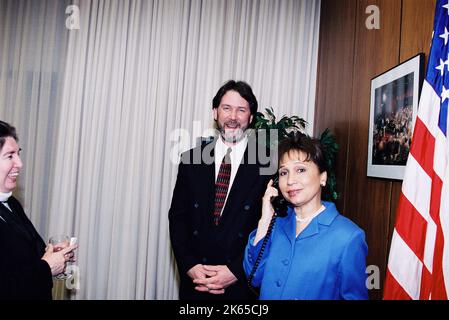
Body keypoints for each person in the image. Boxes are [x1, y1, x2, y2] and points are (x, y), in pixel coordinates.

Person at [169, 80, 272, 300]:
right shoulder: (191, 160)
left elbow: (273, 225)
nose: (233, 117)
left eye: (241, 110)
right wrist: (189, 265)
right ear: (215, 112)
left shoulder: (268, 164)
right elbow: (178, 218)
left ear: (251, 117)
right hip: (196, 282)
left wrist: (237, 270)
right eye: (227, 108)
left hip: (241, 285)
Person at [243, 132, 368, 300]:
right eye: (283, 172)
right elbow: (254, 277)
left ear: (322, 177)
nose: (290, 180)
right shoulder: (275, 225)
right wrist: (265, 219)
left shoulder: (348, 237)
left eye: (300, 170)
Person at [0, 120, 77, 299]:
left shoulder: (12, 204)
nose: (20, 163)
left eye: (18, 154)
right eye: (10, 156)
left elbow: (26, 259)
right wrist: (46, 268)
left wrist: (55, 254)